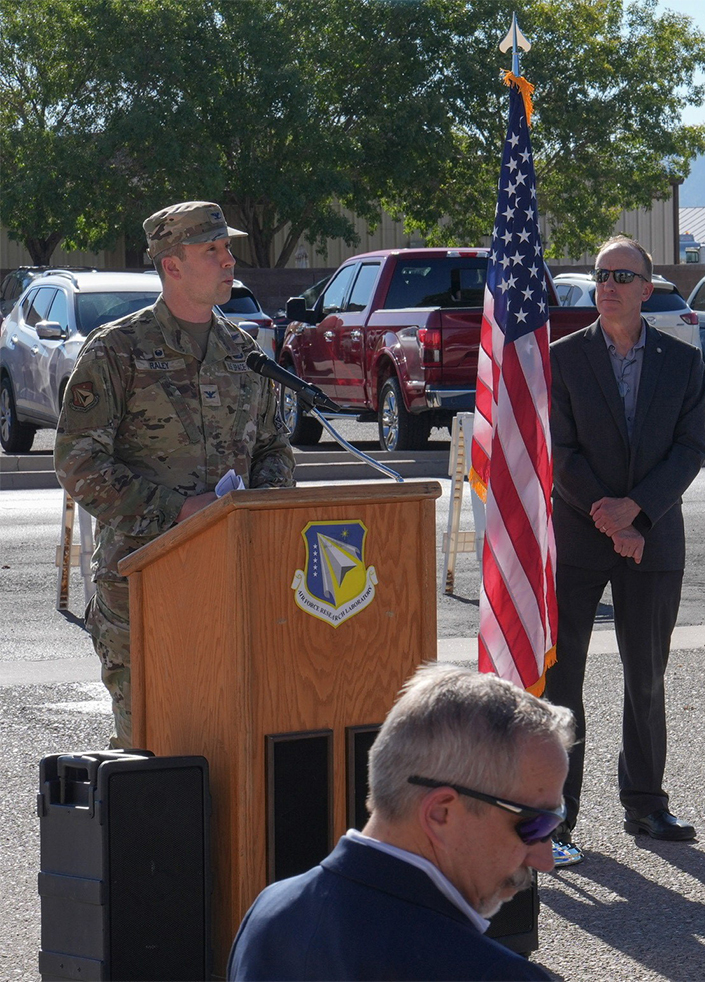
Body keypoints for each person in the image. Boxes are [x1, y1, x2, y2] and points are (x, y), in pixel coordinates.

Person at [54, 201, 293, 748]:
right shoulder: (117, 350)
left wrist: (261, 508)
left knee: (233, 744)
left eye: (227, 248)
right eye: (212, 249)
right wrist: (177, 512)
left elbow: (275, 446)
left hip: (233, 578)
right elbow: (77, 461)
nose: (229, 259)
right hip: (143, 583)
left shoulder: (244, 353)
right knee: (152, 755)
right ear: (172, 265)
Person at [228, 663, 572, 981]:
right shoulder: (492, 974)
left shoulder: (271, 913)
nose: (545, 860)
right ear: (441, 813)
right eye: (535, 827)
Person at [543, 235, 705, 864]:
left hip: (654, 538)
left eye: (623, 275)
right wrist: (610, 517)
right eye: (601, 274)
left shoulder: (681, 359)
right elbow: (557, 452)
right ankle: (558, 815)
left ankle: (645, 802)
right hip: (580, 537)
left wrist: (635, 511)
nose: (609, 284)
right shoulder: (562, 359)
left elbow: (690, 450)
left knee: (647, 677)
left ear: (648, 287)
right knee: (564, 682)